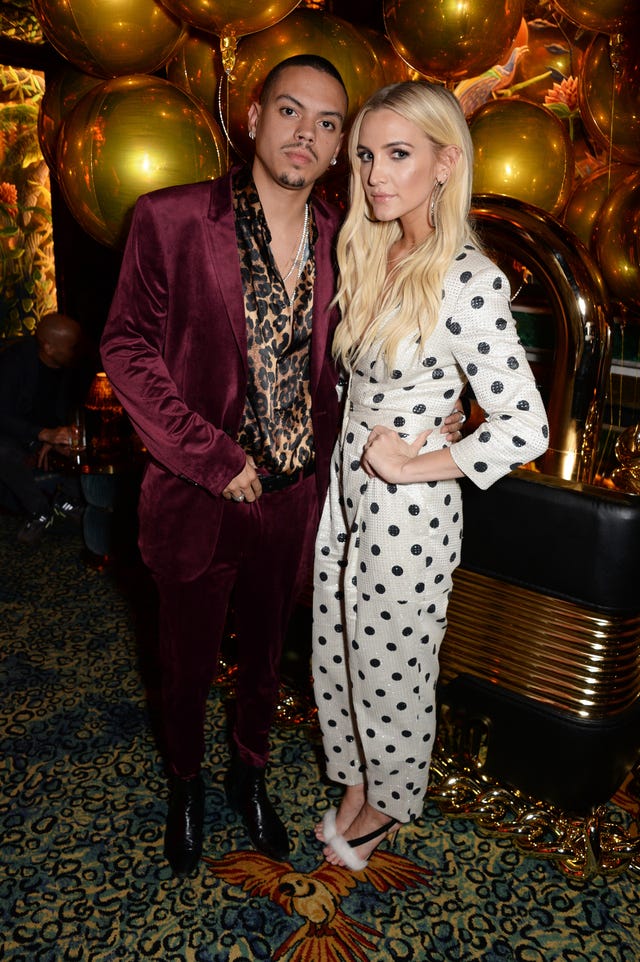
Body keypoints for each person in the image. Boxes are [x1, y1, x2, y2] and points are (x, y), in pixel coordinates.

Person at [100, 56, 463, 878]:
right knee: (185, 663)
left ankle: (249, 773)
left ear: (339, 148)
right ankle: (186, 782)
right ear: (254, 116)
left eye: (329, 123)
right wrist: (210, 455)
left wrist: (443, 410)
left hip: (300, 498)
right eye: (291, 111)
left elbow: (385, 350)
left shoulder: (352, 236)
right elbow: (125, 346)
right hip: (197, 492)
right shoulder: (169, 219)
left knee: (267, 660)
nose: (307, 133)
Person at [312, 80, 549, 872]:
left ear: (447, 162)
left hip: (407, 509)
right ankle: (357, 777)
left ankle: (389, 798)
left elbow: (526, 426)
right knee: (338, 647)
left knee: (393, 666)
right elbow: (367, 382)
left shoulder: (467, 277)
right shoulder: (373, 249)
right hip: (346, 491)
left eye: (398, 154)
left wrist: (418, 460)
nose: (376, 174)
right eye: (366, 156)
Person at [0, 312, 87, 546]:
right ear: (48, 347)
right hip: (13, 434)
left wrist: (56, 436)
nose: (77, 350)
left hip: (43, 433)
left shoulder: (69, 364)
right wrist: (41, 434)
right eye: (72, 346)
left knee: (79, 439)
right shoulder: (13, 362)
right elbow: (3, 415)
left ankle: (66, 499)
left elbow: (70, 409)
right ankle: (39, 511)